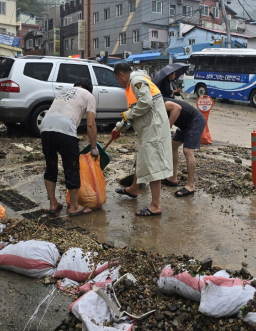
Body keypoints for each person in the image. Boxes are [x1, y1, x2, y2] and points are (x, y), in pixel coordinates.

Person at [113, 63, 173, 217]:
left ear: (121, 74)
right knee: (142, 160)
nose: (118, 83)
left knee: (152, 165)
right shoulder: (134, 85)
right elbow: (135, 111)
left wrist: (129, 114)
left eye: (117, 79)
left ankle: (155, 205)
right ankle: (134, 189)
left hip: (154, 129)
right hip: (148, 128)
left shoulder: (136, 81)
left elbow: (145, 104)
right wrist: (119, 127)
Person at [39, 78, 99, 217]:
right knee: (71, 167)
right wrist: (94, 147)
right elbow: (91, 124)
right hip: (65, 129)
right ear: (89, 88)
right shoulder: (88, 95)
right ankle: (74, 207)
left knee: (51, 165)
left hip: (45, 127)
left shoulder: (63, 92)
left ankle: (53, 203)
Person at [161, 98, 206, 197]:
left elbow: (177, 108)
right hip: (184, 124)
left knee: (187, 151)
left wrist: (166, 127)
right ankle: (172, 178)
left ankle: (190, 186)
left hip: (196, 121)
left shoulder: (162, 103)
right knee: (172, 146)